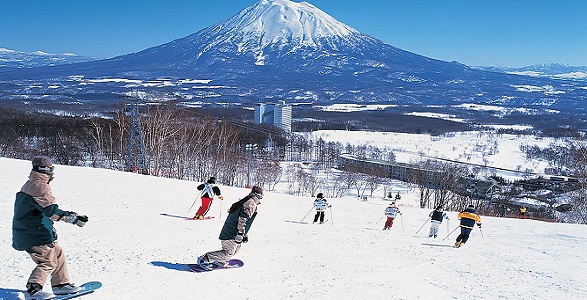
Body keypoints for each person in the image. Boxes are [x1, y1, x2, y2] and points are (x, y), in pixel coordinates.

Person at [12, 156, 89, 300]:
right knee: (48, 261)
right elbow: (51, 211)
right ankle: (33, 290)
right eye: (51, 169)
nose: (52, 172)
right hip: (33, 234)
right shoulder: (40, 186)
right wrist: (73, 218)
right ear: (46, 170)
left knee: (57, 253)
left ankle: (61, 285)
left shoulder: (31, 183)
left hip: (33, 231)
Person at [196, 186, 263, 270]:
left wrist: (244, 234)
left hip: (233, 230)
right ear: (258, 196)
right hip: (232, 231)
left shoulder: (249, 202)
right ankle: (204, 259)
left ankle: (220, 260)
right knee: (228, 253)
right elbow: (243, 219)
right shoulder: (251, 203)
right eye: (261, 197)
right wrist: (240, 233)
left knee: (236, 250)